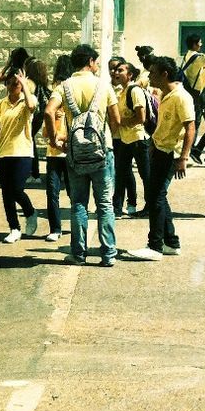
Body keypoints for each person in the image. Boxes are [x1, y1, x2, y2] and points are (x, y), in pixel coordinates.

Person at [45, 43, 120, 267]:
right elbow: (116, 121)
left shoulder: (64, 86)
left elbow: (49, 111)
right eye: (96, 62)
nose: (97, 66)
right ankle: (108, 254)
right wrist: (107, 135)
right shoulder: (103, 86)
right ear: (90, 61)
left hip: (75, 154)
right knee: (105, 204)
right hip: (102, 151)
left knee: (78, 203)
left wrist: (54, 140)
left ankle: (78, 254)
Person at [127, 56, 196, 261]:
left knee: (155, 197)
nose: (149, 76)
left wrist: (183, 157)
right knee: (158, 196)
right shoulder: (166, 94)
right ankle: (171, 242)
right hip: (159, 150)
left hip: (170, 154)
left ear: (165, 74)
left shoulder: (181, 97)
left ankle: (155, 246)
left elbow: (190, 127)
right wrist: (153, 143)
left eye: (153, 73)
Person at [0, 67, 38, 244]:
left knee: (16, 190)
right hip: (3, 153)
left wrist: (25, 85)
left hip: (23, 152)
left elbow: (32, 107)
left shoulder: (28, 100)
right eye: (12, 83)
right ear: (6, 85)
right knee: (6, 194)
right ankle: (14, 228)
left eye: (18, 83)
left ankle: (30, 212)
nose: (15, 86)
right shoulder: (1, 104)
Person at [113, 60, 151, 218]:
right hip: (125, 139)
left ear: (130, 75)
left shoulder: (134, 91)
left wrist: (121, 122)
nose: (116, 73)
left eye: (120, 70)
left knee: (145, 174)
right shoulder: (122, 91)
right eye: (116, 70)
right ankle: (116, 208)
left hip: (137, 139)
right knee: (120, 173)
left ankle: (151, 206)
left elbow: (141, 117)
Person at [43, 53, 72, 243]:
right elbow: (46, 132)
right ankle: (56, 228)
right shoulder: (55, 99)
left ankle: (63, 228)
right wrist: (56, 138)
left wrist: (59, 137)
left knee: (73, 192)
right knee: (53, 192)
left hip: (67, 150)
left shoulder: (69, 99)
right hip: (55, 152)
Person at [25, 56, 51, 179]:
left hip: (31, 116)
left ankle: (33, 173)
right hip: (39, 117)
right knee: (31, 140)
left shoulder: (29, 83)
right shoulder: (43, 83)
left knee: (29, 141)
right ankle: (34, 172)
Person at [179, 32, 205, 116]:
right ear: (194, 44)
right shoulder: (199, 57)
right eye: (200, 42)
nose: (201, 44)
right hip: (196, 89)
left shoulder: (186, 55)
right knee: (197, 112)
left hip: (187, 86)